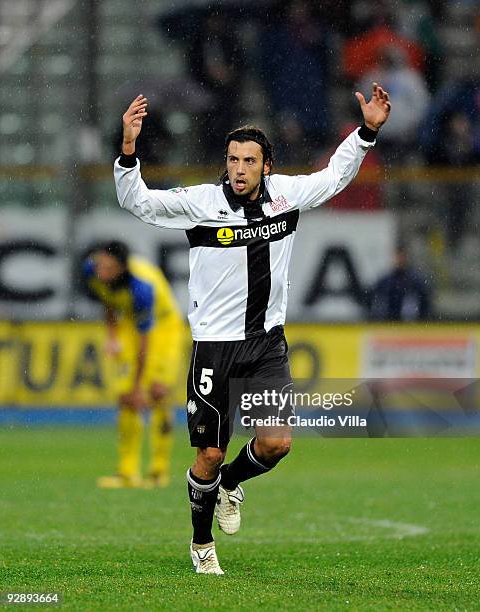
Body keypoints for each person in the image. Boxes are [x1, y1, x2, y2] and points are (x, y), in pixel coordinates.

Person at [114, 83, 391, 574]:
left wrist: (366, 131)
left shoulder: (285, 197)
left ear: (266, 165)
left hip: (266, 346)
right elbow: (138, 201)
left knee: (276, 443)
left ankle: (230, 484)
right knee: (208, 455)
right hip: (214, 350)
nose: (239, 169)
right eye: (233, 160)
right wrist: (130, 149)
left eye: (248, 161)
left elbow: (334, 176)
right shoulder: (200, 202)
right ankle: (202, 545)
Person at [83, 241, 183, 488]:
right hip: (129, 324)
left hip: (163, 327)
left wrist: (140, 386)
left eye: (108, 268)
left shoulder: (141, 288)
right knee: (125, 397)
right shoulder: (90, 269)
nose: (101, 272)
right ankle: (127, 473)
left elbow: (143, 342)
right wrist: (112, 335)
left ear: (121, 268)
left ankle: (158, 472)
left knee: (157, 393)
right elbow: (106, 297)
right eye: (100, 265)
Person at [369, 244, 432, 320]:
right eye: (398, 257)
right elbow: (377, 304)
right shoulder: (385, 281)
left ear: (406, 258)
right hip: (389, 323)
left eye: (402, 257)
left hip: (411, 325)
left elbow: (425, 304)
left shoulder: (416, 281)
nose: (399, 260)